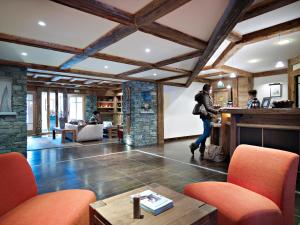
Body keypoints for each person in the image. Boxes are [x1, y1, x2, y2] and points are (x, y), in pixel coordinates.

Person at [190, 84, 219, 158]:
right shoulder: (205, 96)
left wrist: (215, 108)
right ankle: (193, 146)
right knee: (206, 133)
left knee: (205, 133)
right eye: (211, 89)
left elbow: (208, 106)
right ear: (208, 89)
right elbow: (207, 107)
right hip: (206, 116)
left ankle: (202, 148)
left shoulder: (205, 95)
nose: (211, 90)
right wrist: (217, 111)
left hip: (206, 116)